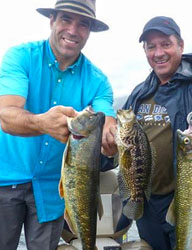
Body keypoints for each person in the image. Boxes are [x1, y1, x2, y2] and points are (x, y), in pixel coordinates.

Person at [0, 0, 116, 250]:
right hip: (4, 180)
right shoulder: (20, 57)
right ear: (52, 20)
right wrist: (41, 123)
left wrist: (110, 138)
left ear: (89, 31)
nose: (73, 30)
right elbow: (6, 116)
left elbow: (107, 120)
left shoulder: (98, 81)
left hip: (54, 190)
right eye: (66, 19)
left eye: (83, 24)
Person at [109, 16, 192, 249]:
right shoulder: (139, 93)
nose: (158, 53)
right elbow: (123, 149)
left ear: (181, 46)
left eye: (165, 44)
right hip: (149, 209)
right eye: (151, 46)